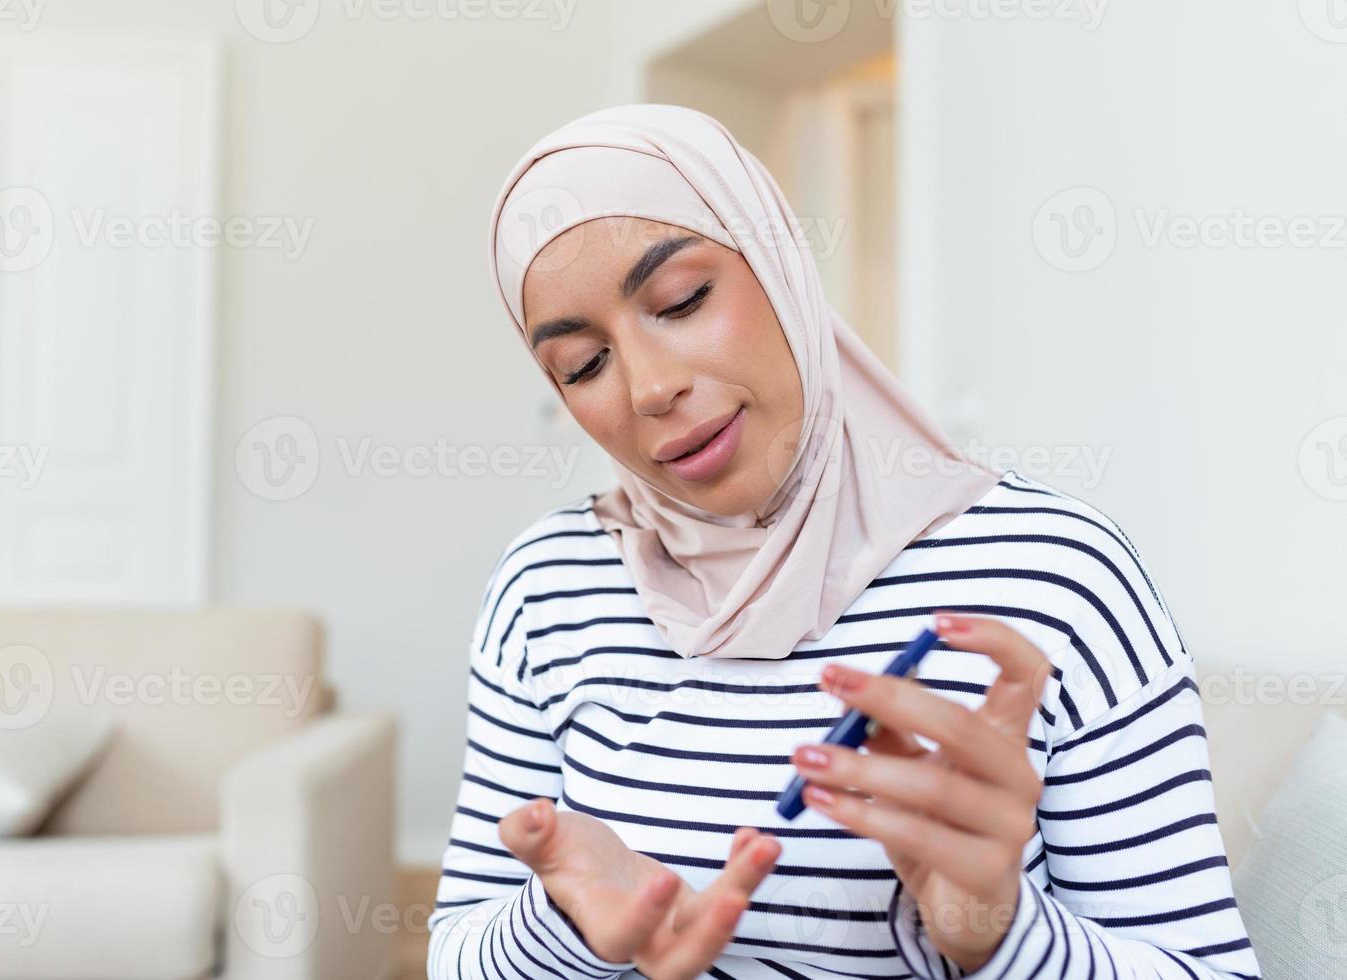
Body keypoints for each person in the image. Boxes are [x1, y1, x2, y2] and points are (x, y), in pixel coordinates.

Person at [425, 103, 1260, 980]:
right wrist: (561, 918)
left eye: (682, 300)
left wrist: (1002, 937)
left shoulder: (1054, 575)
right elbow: (455, 952)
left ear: (780, 262)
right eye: (583, 366)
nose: (650, 388)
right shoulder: (547, 583)